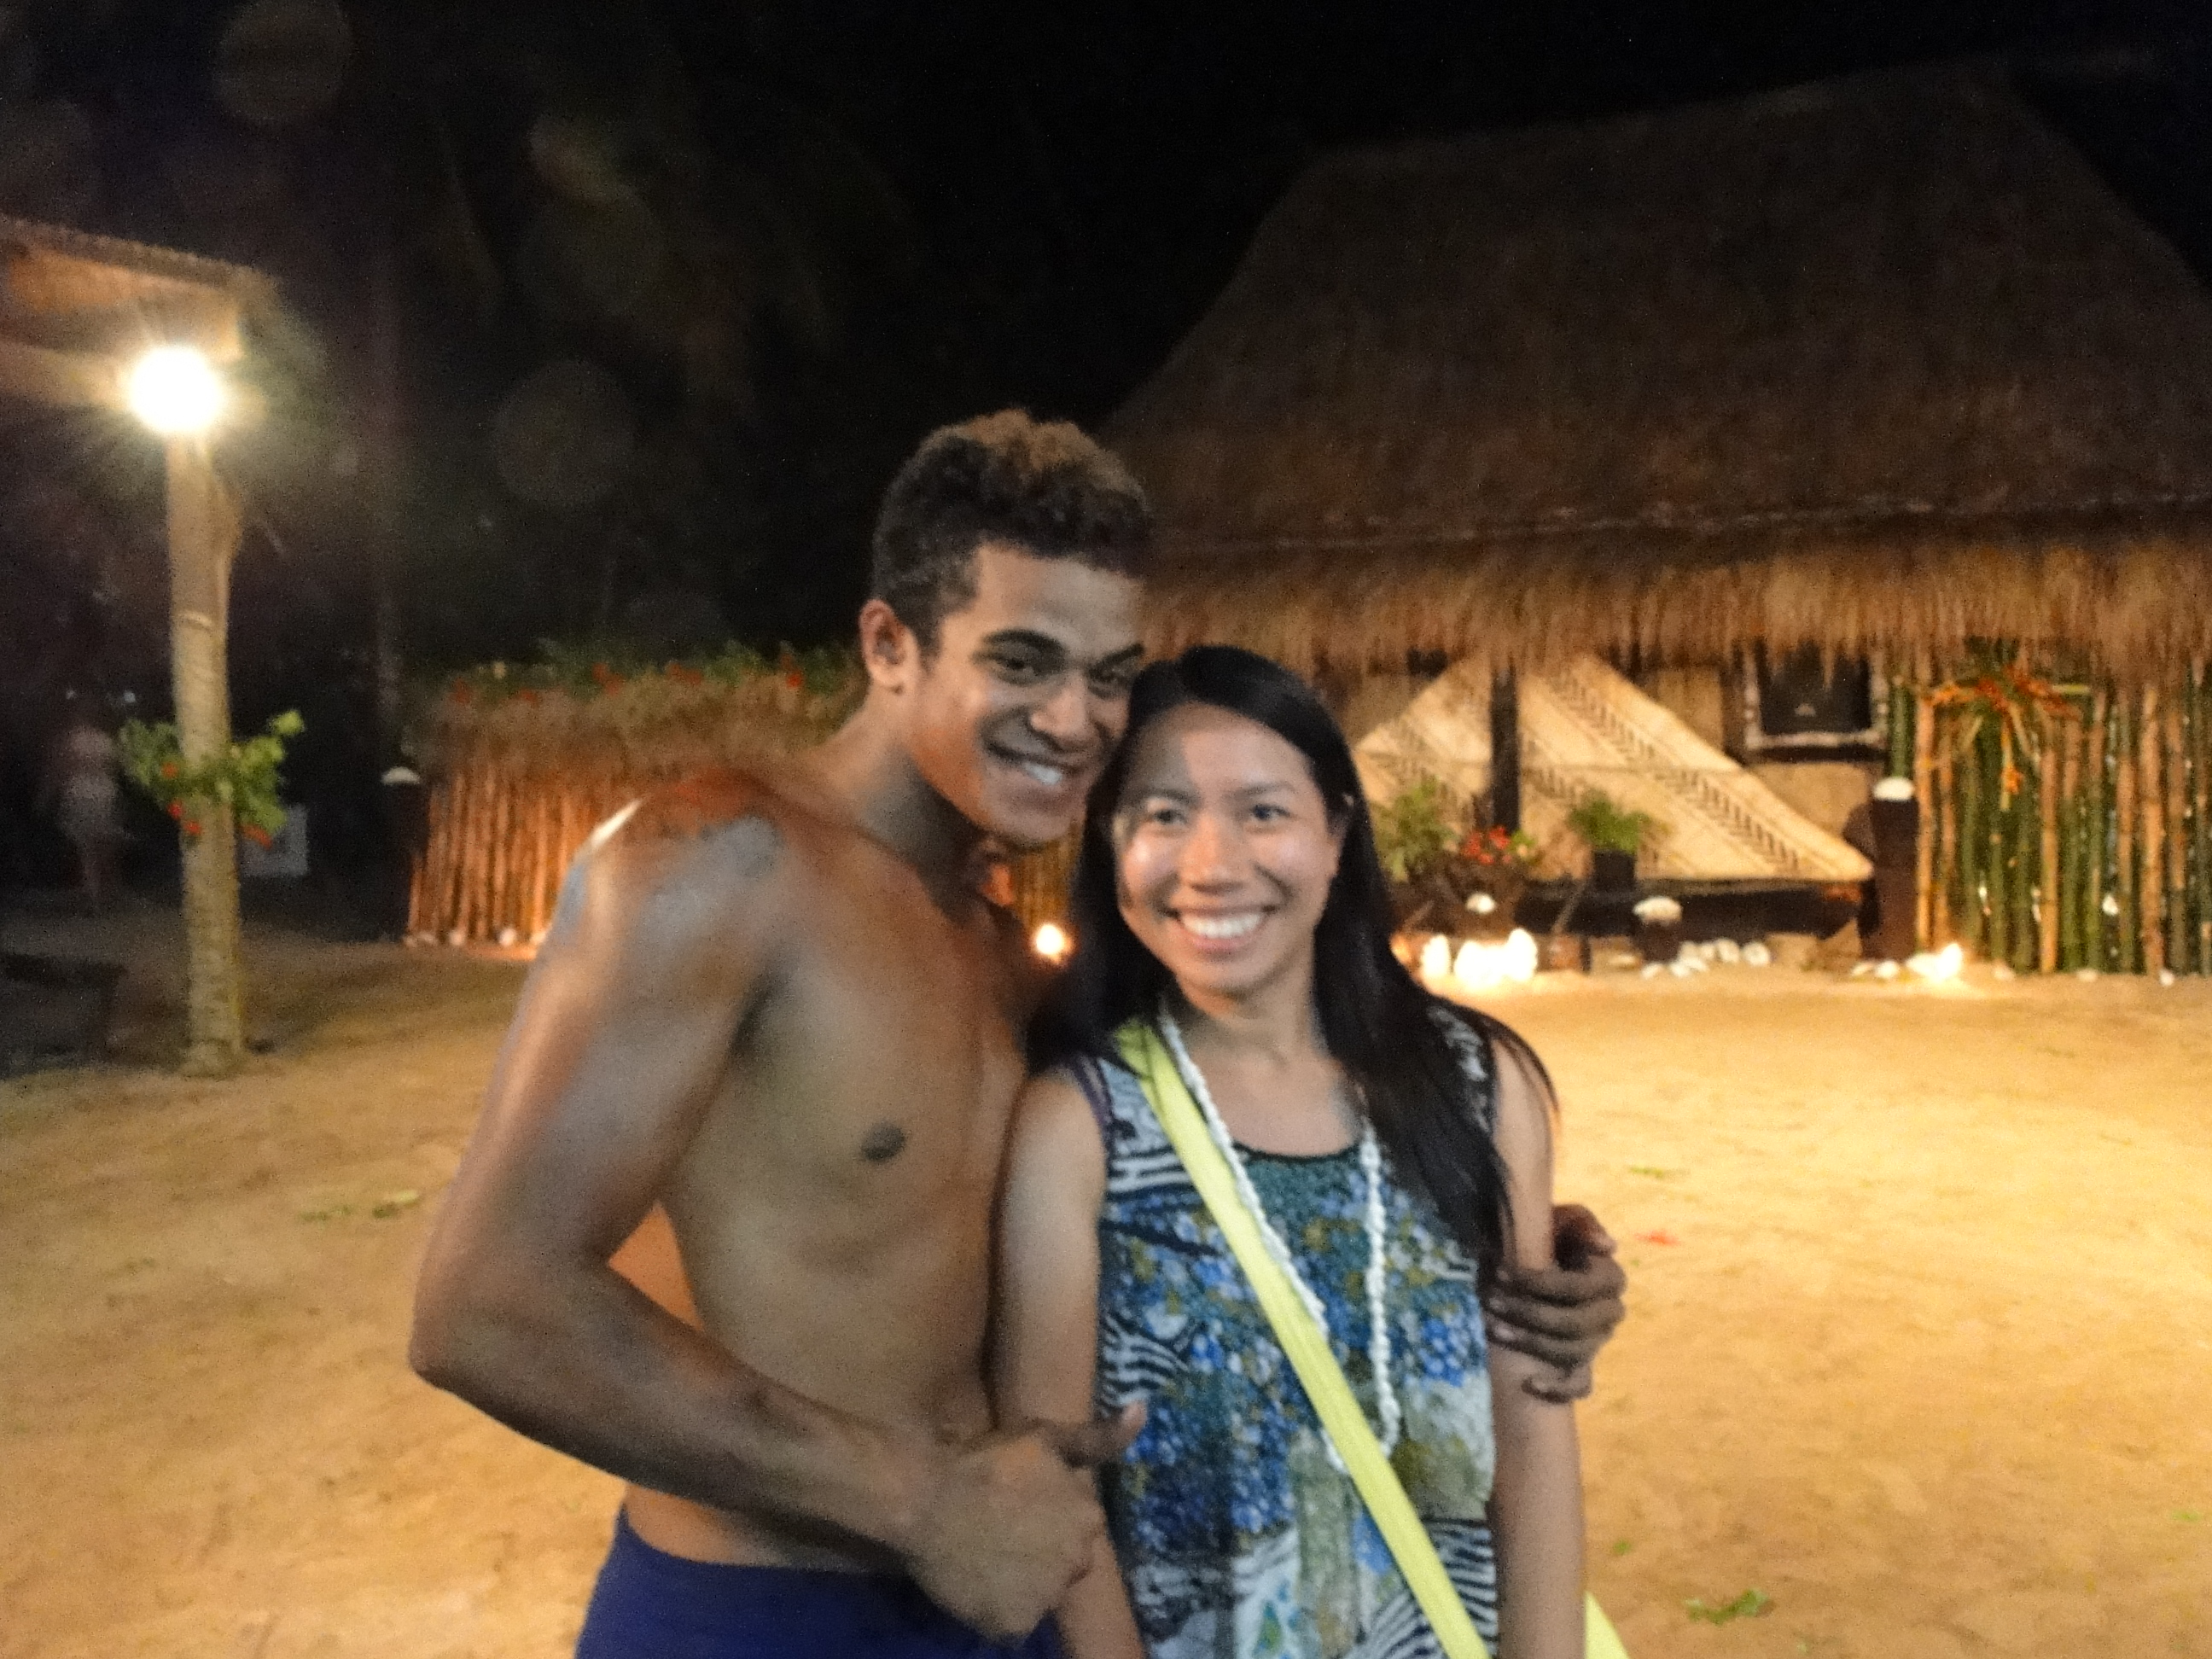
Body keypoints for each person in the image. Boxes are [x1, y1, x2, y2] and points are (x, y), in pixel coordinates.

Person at [410, 413, 1622, 1659]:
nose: (1075, 719)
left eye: (1108, 676)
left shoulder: (1014, 958)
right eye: (1024, 662)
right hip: (769, 1607)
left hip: (1012, 1595)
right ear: (889, 644)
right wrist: (917, 1501)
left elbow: (1211, 1169)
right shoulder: (722, 864)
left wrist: (1513, 1254)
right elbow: (488, 1305)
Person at [997, 646, 1586, 1659]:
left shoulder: (1478, 1087)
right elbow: (1060, 1491)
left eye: (1263, 812)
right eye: (1163, 815)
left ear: (1336, 835)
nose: (1212, 865)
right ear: (1110, 843)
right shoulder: (1080, 1127)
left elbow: (1531, 1441)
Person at [44, 696, 122, 912]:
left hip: (80, 792)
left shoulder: (73, 739)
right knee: (104, 845)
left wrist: (48, 794)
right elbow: (114, 769)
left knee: (86, 849)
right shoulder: (105, 739)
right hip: (104, 791)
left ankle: (94, 897)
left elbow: (62, 768)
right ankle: (108, 894)